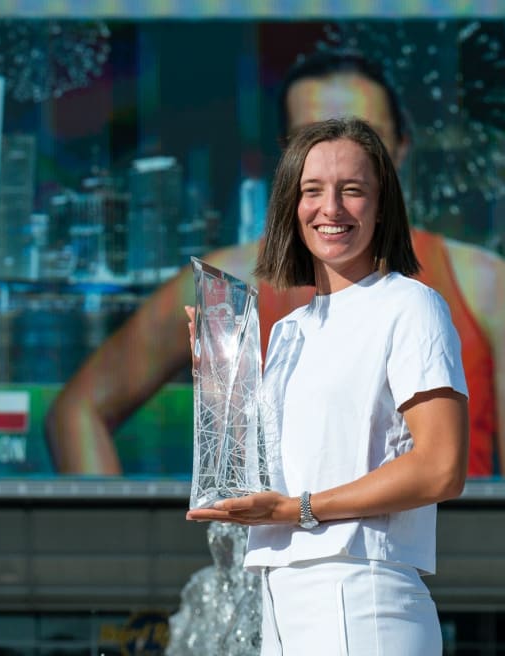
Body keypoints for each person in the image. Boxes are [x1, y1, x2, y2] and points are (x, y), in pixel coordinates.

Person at [45, 49, 505, 478]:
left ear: (400, 150)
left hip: (441, 588)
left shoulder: (484, 286)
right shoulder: (229, 286)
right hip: (283, 586)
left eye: (363, 140)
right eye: (313, 142)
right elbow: (78, 412)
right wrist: (125, 577)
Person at [186, 116, 468, 653]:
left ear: (382, 207)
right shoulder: (292, 330)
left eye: (352, 190)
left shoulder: (409, 306)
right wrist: (219, 381)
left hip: (361, 590)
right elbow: (271, 469)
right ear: (292, 207)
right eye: (312, 191)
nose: (330, 209)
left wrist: (298, 510)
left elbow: (441, 467)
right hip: (281, 591)